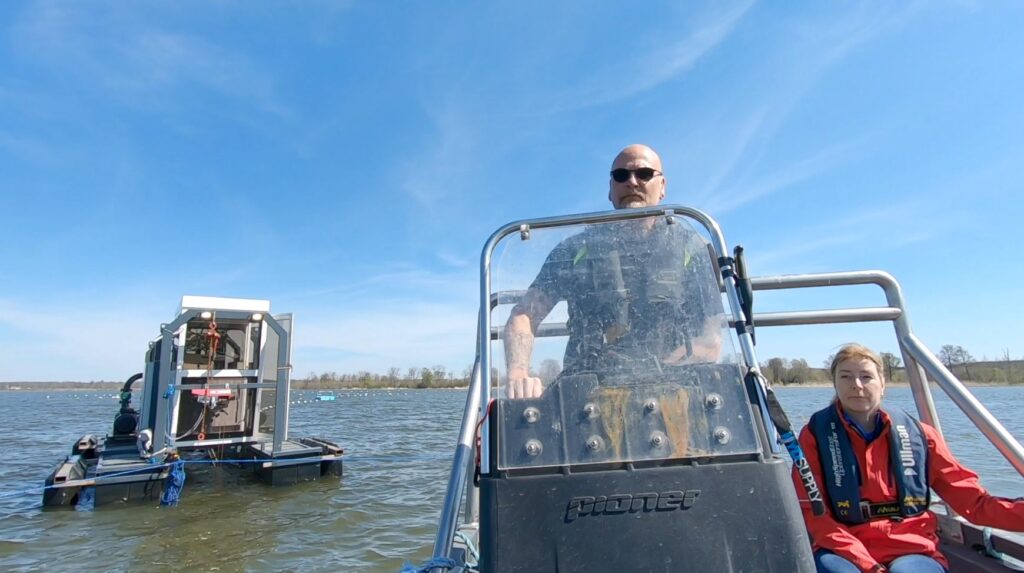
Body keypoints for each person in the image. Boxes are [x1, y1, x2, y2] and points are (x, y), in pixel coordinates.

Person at [502, 144, 723, 399]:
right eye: (621, 175)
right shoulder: (575, 249)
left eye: (644, 174)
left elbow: (711, 340)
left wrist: (663, 371)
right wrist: (518, 374)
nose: (632, 182)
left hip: (675, 389)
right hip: (587, 395)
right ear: (610, 190)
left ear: (662, 187)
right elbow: (524, 314)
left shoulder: (691, 248)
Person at [793, 343, 1024, 573]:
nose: (856, 385)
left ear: (882, 384)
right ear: (835, 383)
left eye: (866, 376)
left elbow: (973, 503)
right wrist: (869, 566)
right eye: (846, 377)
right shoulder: (814, 436)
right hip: (842, 549)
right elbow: (814, 515)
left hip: (911, 546)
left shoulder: (920, 436)